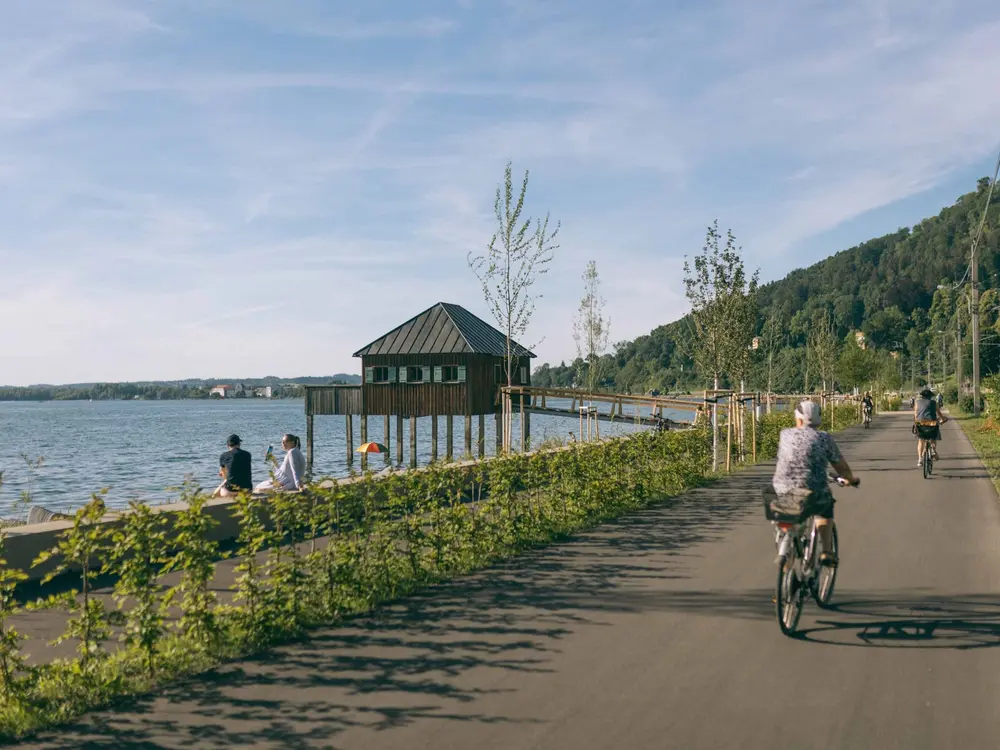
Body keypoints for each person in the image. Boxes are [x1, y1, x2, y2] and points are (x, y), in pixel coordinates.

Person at [771, 400, 859, 567]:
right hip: (813, 491)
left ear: (798, 419)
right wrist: (850, 479)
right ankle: (826, 551)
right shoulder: (824, 438)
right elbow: (841, 467)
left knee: (789, 521)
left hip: (782, 490)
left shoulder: (785, 434)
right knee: (824, 509)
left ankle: (785, 573)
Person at [913, 388, 948, 465]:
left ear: (922, 396)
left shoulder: (917, 403)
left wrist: (916, 424)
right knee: (933, 436)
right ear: (930, 396)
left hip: (920, 423)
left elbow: (915, 415)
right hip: (932, 423)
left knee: (921, 440)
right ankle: (932, 449)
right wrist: (943, 419)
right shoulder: (934, 403)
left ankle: (920, 459)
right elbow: (939, 413)